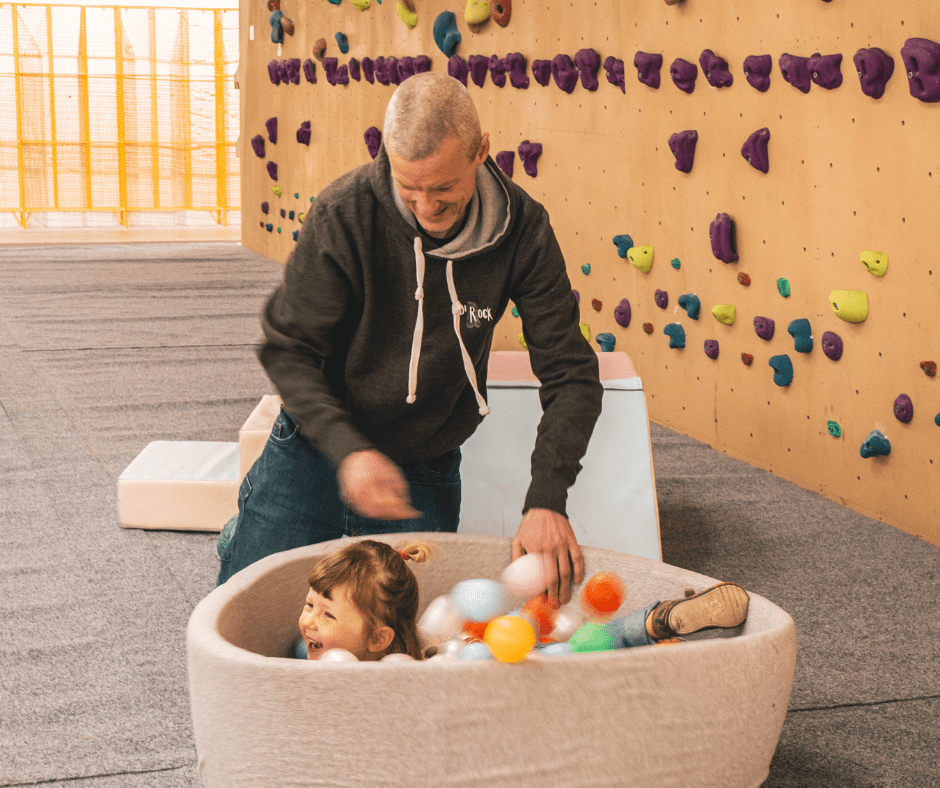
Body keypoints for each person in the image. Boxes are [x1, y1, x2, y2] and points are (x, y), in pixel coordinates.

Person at [217, 71, 603, 603]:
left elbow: (571, 373)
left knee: (401, 636)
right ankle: (240, 535)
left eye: (444, 189)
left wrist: (547, 499)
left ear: (480, 150)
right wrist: (349, 450)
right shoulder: (344, 212)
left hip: (425, 459)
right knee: (255, 604)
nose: (425, 209)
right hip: (315, 445)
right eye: (409, 189)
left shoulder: (523, 230)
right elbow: (287, 347)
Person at [297, 538, 435, 661]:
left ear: (377, 639)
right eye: (310, 605)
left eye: (328, 615)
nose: (308, 621)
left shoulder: (396, 679)